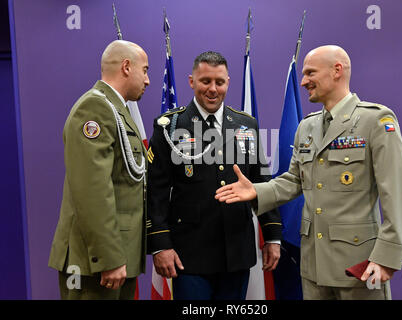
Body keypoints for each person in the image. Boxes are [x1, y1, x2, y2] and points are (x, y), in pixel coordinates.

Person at [215, 45, 402, 300]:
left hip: (359, 266)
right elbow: (294, 180)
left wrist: (387, 258)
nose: (303, 81)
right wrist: (256, 190)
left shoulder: (375, 121)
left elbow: (397, 194)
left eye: (310, 73)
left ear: (337, 70)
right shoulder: (306, 126)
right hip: (313, 267)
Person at [146, 51, 282, 300]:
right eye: (205, 81)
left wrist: (272, 235)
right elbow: (156, 191)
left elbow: (261, 181)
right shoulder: (171, 126)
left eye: (219, 82)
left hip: (237, 252)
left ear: (228, 82)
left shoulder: (245, 125)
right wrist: (160, 244)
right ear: (191, 81)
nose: (212, 89)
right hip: (190, 255)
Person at [48, 40, 150, 299]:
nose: (147, 80)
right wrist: (109, 258)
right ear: (126, 67)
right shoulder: (95, 108)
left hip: (117, 256)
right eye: (145, 70)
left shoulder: (116, 109)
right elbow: (92, 190)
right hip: (95, 262)